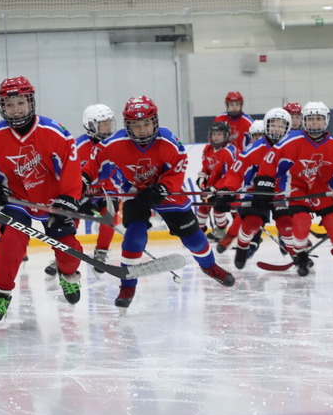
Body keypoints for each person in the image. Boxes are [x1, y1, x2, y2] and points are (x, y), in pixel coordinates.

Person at [90, 95, 235, 311]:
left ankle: (210, 266)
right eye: (136, 125)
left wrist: (163, 187)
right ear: (127, 125)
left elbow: (178, 167)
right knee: (134, 237)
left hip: (165, 190)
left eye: (147, 123)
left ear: (155, 121)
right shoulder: (113, 144)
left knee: (194, 239)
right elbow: (92, 164)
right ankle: (128, 285)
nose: (142, 130)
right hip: (135, 193)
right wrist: (83, 182)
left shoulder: (168, 140)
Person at [0, 76, 86, 323]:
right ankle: (1, 294)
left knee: (69, 250)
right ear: (1, 107)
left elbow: (71, 167)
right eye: (9, 104)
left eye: (21, 102)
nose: (16, 109)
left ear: (31, 102)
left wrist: (67, 199)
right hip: (16, 201)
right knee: (10, 243)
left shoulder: (55, 132)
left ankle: (68, 274)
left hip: (53, 201)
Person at [254, 101, 333, 276]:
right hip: (296, 186)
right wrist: (264, 183)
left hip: (321, 187)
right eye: (310, 119)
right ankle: (301, 254)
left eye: (318, 119)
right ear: (304, 120)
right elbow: (270, 162)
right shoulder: (290, 142)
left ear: (325, 120)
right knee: (301, 218)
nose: (314, 123)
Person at [223, 107, 293, 270]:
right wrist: (228, 190)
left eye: (281, 126)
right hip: (255, 193)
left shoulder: (293, 146)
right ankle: (242, 246)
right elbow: (236, 172)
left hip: (280, 193)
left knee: (286, 225)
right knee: (251, 224)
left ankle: (296, 255)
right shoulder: (253, 149)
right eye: (273, 125)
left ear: (287, 128)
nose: (277, 129)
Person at [73, 103, 120, 273]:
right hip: (82, 192)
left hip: (104, 191)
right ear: (91, 125)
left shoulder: (115, 144)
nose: (108, 127)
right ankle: (65, 251)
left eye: (109, 123)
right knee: (70, 219)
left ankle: (101, 252)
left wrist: (107, 192)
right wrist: (79, 192)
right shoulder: (78, 147)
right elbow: (71, 174)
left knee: (110, 218)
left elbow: (116, 174)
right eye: (103, 124)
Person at [195, 121, 236, 242]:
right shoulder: (208, 149)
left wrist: (215, 189)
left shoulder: (229, 152)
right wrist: (202, 177)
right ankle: (199, 231)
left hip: (225, 187)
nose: (216, 137)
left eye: (219, 134)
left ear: (226, 136)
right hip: (211, 187)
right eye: (214, 134)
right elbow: (206, 168)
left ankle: (222, 228)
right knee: (203, 207)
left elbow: (229, 175)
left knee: (219, 208)